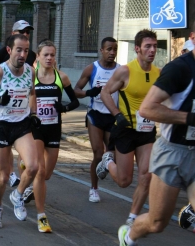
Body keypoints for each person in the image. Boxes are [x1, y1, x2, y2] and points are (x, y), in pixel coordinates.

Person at [118, 24, 195, 245]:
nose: (151, 50)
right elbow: (147, 109)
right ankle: (129, 235)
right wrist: (189, 118)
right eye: (147, 46)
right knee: (157, 222)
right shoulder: (180, 69)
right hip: (172, 152)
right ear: (192, 38)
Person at [0, 34, 40, 228]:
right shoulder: (0, 71)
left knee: (34, 167)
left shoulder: (30, 71)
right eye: (19, 50)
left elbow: (32, 93)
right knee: (3, 177)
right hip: (1, 126)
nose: (22, 54)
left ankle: (18, 195)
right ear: (10, 50)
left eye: (26, 50)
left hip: (21, 125)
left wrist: (34, 113)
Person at [96, 29, 160, 227]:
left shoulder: (159, 73)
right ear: (138, 49)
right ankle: (108, 162)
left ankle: (132, 219)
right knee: (124, 181)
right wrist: (117, 114)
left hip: (147, 131)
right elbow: (105, 92)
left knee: (146, 175)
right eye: (147, 46)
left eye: (155, 47)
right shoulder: (126, 70)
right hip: (125, 130)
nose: (152, 50)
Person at [0, 20, 36, 190]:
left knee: (32, 164)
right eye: (22, 31)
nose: (25, 34)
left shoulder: (30, 58)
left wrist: (33, 113)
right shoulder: (0, 57)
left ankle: (18, 191)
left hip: (21, 120)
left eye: (27, 32)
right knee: (2, 171)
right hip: (2, 117)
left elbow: (31, 89)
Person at [32, 40, 79, 232]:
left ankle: (31, 186)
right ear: (38, 56)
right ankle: (41, 216)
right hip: (35, 129)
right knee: (40, 171)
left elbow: (75, 101)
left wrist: (65, 107)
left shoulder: (62, 77)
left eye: (52, 55)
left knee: (47, 175)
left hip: (54, 128)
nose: (50, 58)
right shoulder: (30, 77)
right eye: (46, 55)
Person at [74, 37, 119, 203]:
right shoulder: (92, 68)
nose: (112, 53)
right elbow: (76, 90)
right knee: (98, 153)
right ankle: (94, 188)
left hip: (112, 116)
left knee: (112, 155)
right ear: (102, 50)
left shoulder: (121, 70)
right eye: (109, 49)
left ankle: (105, 165)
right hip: (95, 114)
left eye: (115, 49)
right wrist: (89, 93)